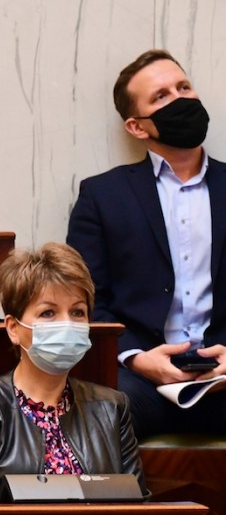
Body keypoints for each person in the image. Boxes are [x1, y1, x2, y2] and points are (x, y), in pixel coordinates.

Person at [66, 49, 226, 439]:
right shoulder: (102, 196)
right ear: (137, 127)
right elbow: (85, 300)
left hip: (223, 371)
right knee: (101, 410)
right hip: (139, 379)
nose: (181, 99)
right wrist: (137, 359)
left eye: (184, 87)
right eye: (161, 96)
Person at [0, 243, 148, 505]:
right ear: (13, 328)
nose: (66, 324)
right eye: (48, 313)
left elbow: (136, 511)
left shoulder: (112, 407)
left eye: (77, 312)